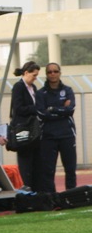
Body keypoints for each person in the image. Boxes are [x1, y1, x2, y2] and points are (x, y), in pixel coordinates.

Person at [36, 63, 76, 193]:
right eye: (49, 72)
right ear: (46, 74)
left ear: (60, 73)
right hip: (48, 136)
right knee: (48, 170)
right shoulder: (41, 93)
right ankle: (51, 198)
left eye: (55, 71)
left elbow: (70, 110)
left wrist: (52, 109)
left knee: (70, 169)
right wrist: (61, 109)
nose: (52, 74)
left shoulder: (68, 90)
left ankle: (72, 196)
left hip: (67, 135)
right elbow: (42, 113)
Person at [10, 61, 41, 192]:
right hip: (23, 129)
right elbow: (17, 108)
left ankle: (35, 188)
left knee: (35, 161)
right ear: (26, 73)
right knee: (25, 161)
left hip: (33, 128)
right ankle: (26, 189)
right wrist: (36, 108)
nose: (35, 78)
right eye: (34, 75)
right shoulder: (18, 87)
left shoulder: (33, 88)